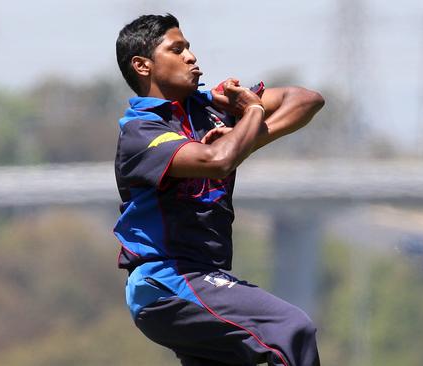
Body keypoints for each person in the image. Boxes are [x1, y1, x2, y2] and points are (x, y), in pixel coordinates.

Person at [113, 13, 325, 366]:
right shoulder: (140, 133)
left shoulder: (210, 106)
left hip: (205, 280)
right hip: (168, 282)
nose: (191, 57)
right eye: (177, 49)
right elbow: (218, 160)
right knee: (291, 329)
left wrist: (245, 135)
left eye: (190, 48)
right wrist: (251, 114)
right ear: (142, 65)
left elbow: (306, 100)